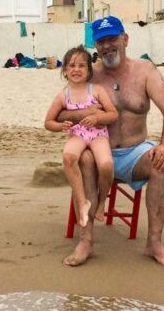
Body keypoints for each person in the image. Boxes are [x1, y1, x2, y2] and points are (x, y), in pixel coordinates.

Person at [57, 15, 164, 268]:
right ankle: (86, 241)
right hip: (96, 149)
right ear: (95, 45)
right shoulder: (89, 75)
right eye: (101, 41)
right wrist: (83, 114)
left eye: (112, 38)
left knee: (161, 164)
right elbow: (59, 113)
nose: (107, 45)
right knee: (85, 160)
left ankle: (154, 243)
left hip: (134, 153)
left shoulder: (145, 71)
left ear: (125, 39)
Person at [44, 46, 118, 227]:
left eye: (81, 65)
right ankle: (82, 201)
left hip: (98, 134)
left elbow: (113, 114)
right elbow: (48, 122)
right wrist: (60, 126)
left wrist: (97, 118)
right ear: (65, 70)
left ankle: (101, 201)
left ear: (89, 70)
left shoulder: (97, 90)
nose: (76, 69)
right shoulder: (63, 96)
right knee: (68, 158)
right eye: (72, 65)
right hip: (77, 134)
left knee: (106, 165)